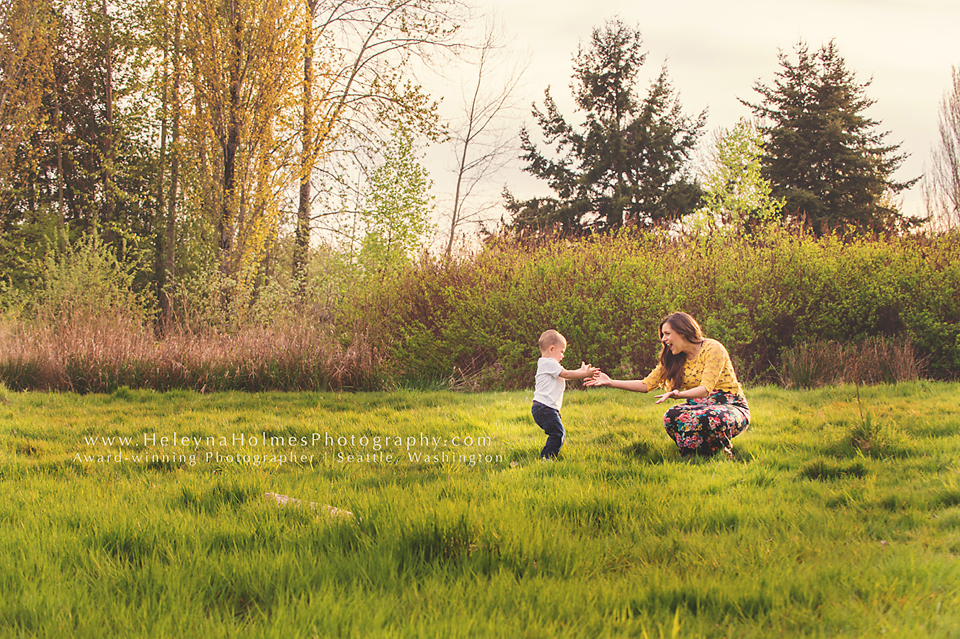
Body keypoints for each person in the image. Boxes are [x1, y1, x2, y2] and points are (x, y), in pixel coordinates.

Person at [585, 312, 750, 459]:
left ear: (683, 332)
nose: (663, 339)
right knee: (671, 416)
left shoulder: (712, 349)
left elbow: (705, 389)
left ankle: (721, 450)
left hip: (730, 406)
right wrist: (611, 382)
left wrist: (678, 394)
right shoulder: (674, 357)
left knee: (707, 418)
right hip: (698, 407)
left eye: (667, 334)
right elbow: (645, 385)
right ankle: (695, 457)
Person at [532, 330, 598, 459]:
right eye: (562, 351)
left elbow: (564, 376)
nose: (563, 356)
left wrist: (580, 371)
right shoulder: (549, 363)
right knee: (557, 433)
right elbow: (566, 374)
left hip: (544, 408)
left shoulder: (546, 364)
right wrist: (585, 374)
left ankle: (548, 457)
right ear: (551, 349)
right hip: (545, 408)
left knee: (556, 432)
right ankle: (546, 459)